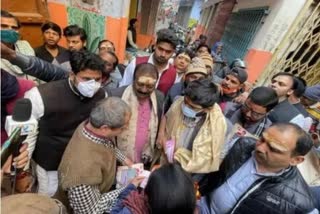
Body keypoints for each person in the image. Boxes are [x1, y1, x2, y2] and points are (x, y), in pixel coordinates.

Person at [24, 51, 107, 196]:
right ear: (72, 74)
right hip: (50, 166)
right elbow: (27, 136)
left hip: (82, 165)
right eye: (86, 79)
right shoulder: (40, 95)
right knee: (49, 202)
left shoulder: (102, 96)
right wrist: (23, 171)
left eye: (97, 79)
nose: (92, 84)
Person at [199, 123, 317, 214]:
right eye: (262, 139)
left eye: (273, 149)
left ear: (295, 160)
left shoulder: (301, 204)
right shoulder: (242, 145)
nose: (260, 148)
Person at [55, 97, 133, 213]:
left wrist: (124, 159)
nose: (127, 128)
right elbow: (91, 210)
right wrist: (128, 188)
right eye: (123, 127)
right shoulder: (81, 175)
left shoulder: (90, 126)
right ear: (105, 128)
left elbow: (107, 145)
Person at [163, 79, 227, 174]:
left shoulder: (217, 125)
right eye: (185, 102)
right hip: (164, 157)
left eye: (192, 107)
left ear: (207, 109)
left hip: (184, 171)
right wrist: (162, 136)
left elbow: (204, 159)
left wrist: (176, 156)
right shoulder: (179, 102)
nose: (186, 107)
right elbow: (167, 118)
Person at [107, 63, 164, 166]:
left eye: (149, 86)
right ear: (133, 80)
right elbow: (106, 134)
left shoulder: (159, 97)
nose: (144, 90)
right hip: (118, 160)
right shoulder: (116, 95)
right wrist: (122, 158)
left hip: (145, 160)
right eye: (140, 84)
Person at [111, 163, 197, 214]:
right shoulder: (187, 207)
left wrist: (130, 187)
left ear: (147, 195)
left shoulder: (132, 208)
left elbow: (114, 211)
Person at [120, 28, 179, 95]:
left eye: (168, 52)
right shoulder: (136, 63)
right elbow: (123, 89)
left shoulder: (173, 74)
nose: (163, 54)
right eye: (160, 49)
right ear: (155, 46)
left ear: (173, 53)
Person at [0, 10, 38, 82]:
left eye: (14, 27)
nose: (10, 30)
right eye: (4, 26)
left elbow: (35, 69)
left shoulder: (25, 45)